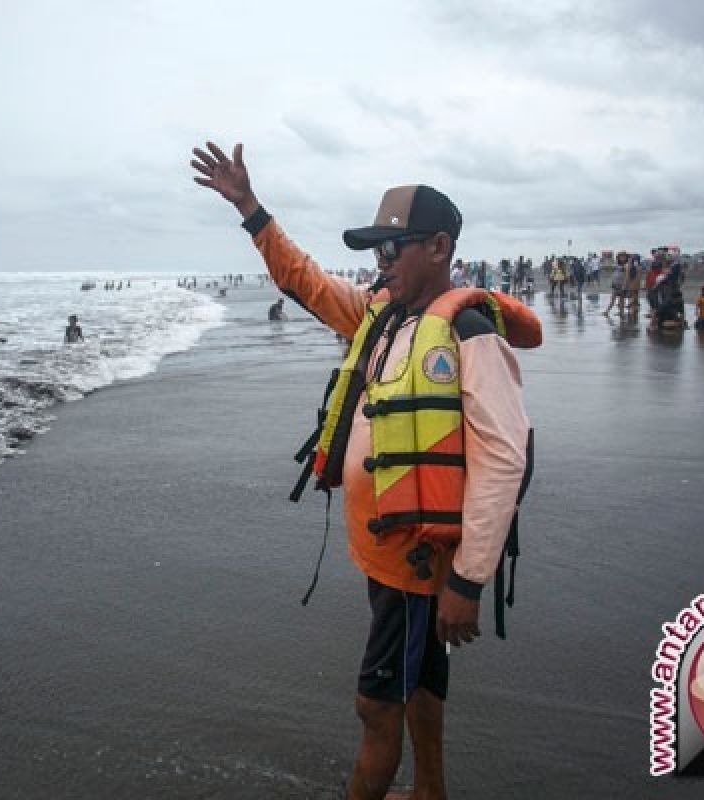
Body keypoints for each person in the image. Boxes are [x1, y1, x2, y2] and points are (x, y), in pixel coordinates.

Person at [191, 141, 535, 800]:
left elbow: (503, 458)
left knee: (376, 708)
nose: (379, 263)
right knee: (419, 684)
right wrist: (250, 207)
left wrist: (468, 578)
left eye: (391, 248)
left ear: (438, 246)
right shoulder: (382, 315)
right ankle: (430, 792)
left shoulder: (467, 334)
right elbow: (308, 282)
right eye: (374, 251)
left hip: (417, 561)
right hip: (387, 553)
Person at [602, 251, 629, 316]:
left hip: (621, 285)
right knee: (613, 299)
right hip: (615, 284)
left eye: (623, 257)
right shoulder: (617, 264)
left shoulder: (626, 265)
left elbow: (627, 276)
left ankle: (621, 312)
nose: (622, 258)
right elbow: (609, 268)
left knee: (621, 300)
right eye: (621, 257)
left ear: (626, 258)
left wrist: (624, 285)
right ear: (618, 258)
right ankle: (607, 311)